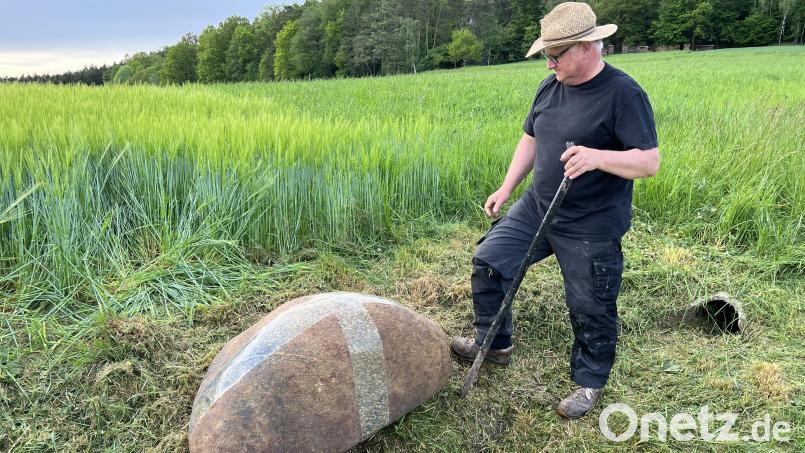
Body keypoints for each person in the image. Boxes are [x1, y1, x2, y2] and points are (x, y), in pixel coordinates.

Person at [450, 2, 660, 420]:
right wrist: (507, 187)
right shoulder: (550, 87)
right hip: (537, 206)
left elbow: (649, 162)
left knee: (589, 303)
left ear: (586, 47)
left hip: (590, 222)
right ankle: (494, 344)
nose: (549, 64)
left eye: (555, 55)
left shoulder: (623, 94)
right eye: (547, 55)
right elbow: (530, 139)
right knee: (489, 261)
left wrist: (598, 157)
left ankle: (590, 381)